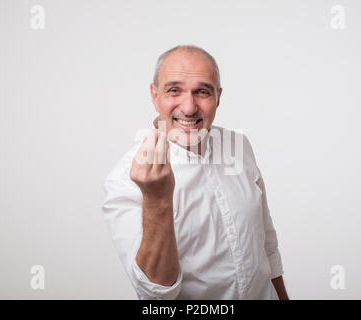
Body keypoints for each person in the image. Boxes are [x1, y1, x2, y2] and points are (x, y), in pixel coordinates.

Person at [102, 45, 289, 300]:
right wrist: (157, 199)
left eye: (202, 92)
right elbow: (155, 293)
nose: (189, 108)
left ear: (218, 97)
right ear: (154, 95)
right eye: (174, 90)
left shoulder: (239, 147)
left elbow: (266, 246)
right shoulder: (126, 177)